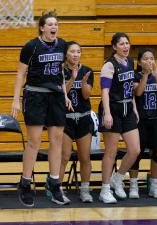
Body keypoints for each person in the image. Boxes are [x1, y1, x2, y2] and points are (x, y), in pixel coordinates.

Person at [11, 11, 72, 207]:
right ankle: (25, 183)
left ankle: (54, 184)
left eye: (56, 24)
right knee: (34, 142)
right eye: (51, 24)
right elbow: (20, 74)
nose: (54, 27)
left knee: (56, 141)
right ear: (42, 27)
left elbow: (61, 73)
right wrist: (15, 99)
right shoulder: (31, 46)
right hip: (35, 95)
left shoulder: (62, 45)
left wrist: (64, 95)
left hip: (55, 96)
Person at [98, 32, 141, 204]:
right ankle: (105, 189)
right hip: (113, 108)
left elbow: (130, 88)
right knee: (111, 152)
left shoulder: (130, 62)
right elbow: (105, 91)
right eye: (122, 44)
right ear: (114, 46)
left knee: (135, 150)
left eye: (127, 43)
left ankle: (118, 177)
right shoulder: (109, 65)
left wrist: (135, 109)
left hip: (128, 108)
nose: (125, 46)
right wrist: (107, 113)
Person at [128, 48, 157, 199]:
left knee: (156, 153)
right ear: (139, 62)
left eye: (152, 58)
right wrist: (145, 75)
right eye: (146, 59)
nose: (149, 61)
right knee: (136, 153)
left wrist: (156, 76)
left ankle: (154, 185)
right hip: (141, 121)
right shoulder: (135, 76)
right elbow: (138, 92)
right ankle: (133, 185)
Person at [58, 41, 94, 203]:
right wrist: (72, 78)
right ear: (66, 54)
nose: (76, 54)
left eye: (78, 52)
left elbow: (86, 96)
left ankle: (85, 190)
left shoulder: (87, 71)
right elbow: (61, 94)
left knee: (85, 157)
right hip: (65, 120)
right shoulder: (60, 70)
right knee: (64, 156)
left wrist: (84, 83)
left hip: (83, 118)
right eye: (72, 51)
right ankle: (57, 188)